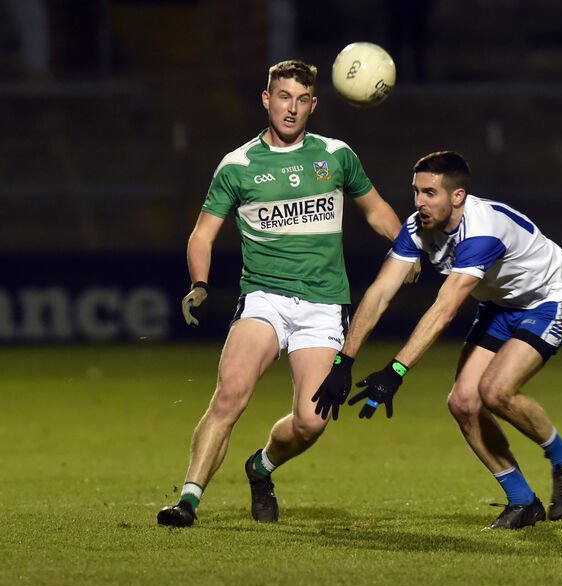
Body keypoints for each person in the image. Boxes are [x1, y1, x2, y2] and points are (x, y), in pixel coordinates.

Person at [157, 59, 410, 527]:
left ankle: (261, 467)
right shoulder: (238, 165)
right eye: (282, 97)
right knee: (230, 395)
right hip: (264, 298)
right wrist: (199, 282)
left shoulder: (336, 156)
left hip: (323, 305)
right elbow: (202, 234)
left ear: (313, 104)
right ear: (266, 100)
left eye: (301, 100)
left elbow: (376, 212)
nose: (290, 108)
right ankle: (188, 500)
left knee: (312, 421)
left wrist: (406, 251)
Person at [312, 151, 562, 530]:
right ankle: (523, 501)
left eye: (430, 193)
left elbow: (444, 311)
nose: (419, 203)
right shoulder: (416, 228)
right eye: (416, 192)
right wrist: (345, 360)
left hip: (549, 299)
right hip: (500, 304)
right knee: (462, 402)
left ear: (457, 196)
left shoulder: (482, 231)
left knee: (495, 391)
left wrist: (395, 371)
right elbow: (380, 293)